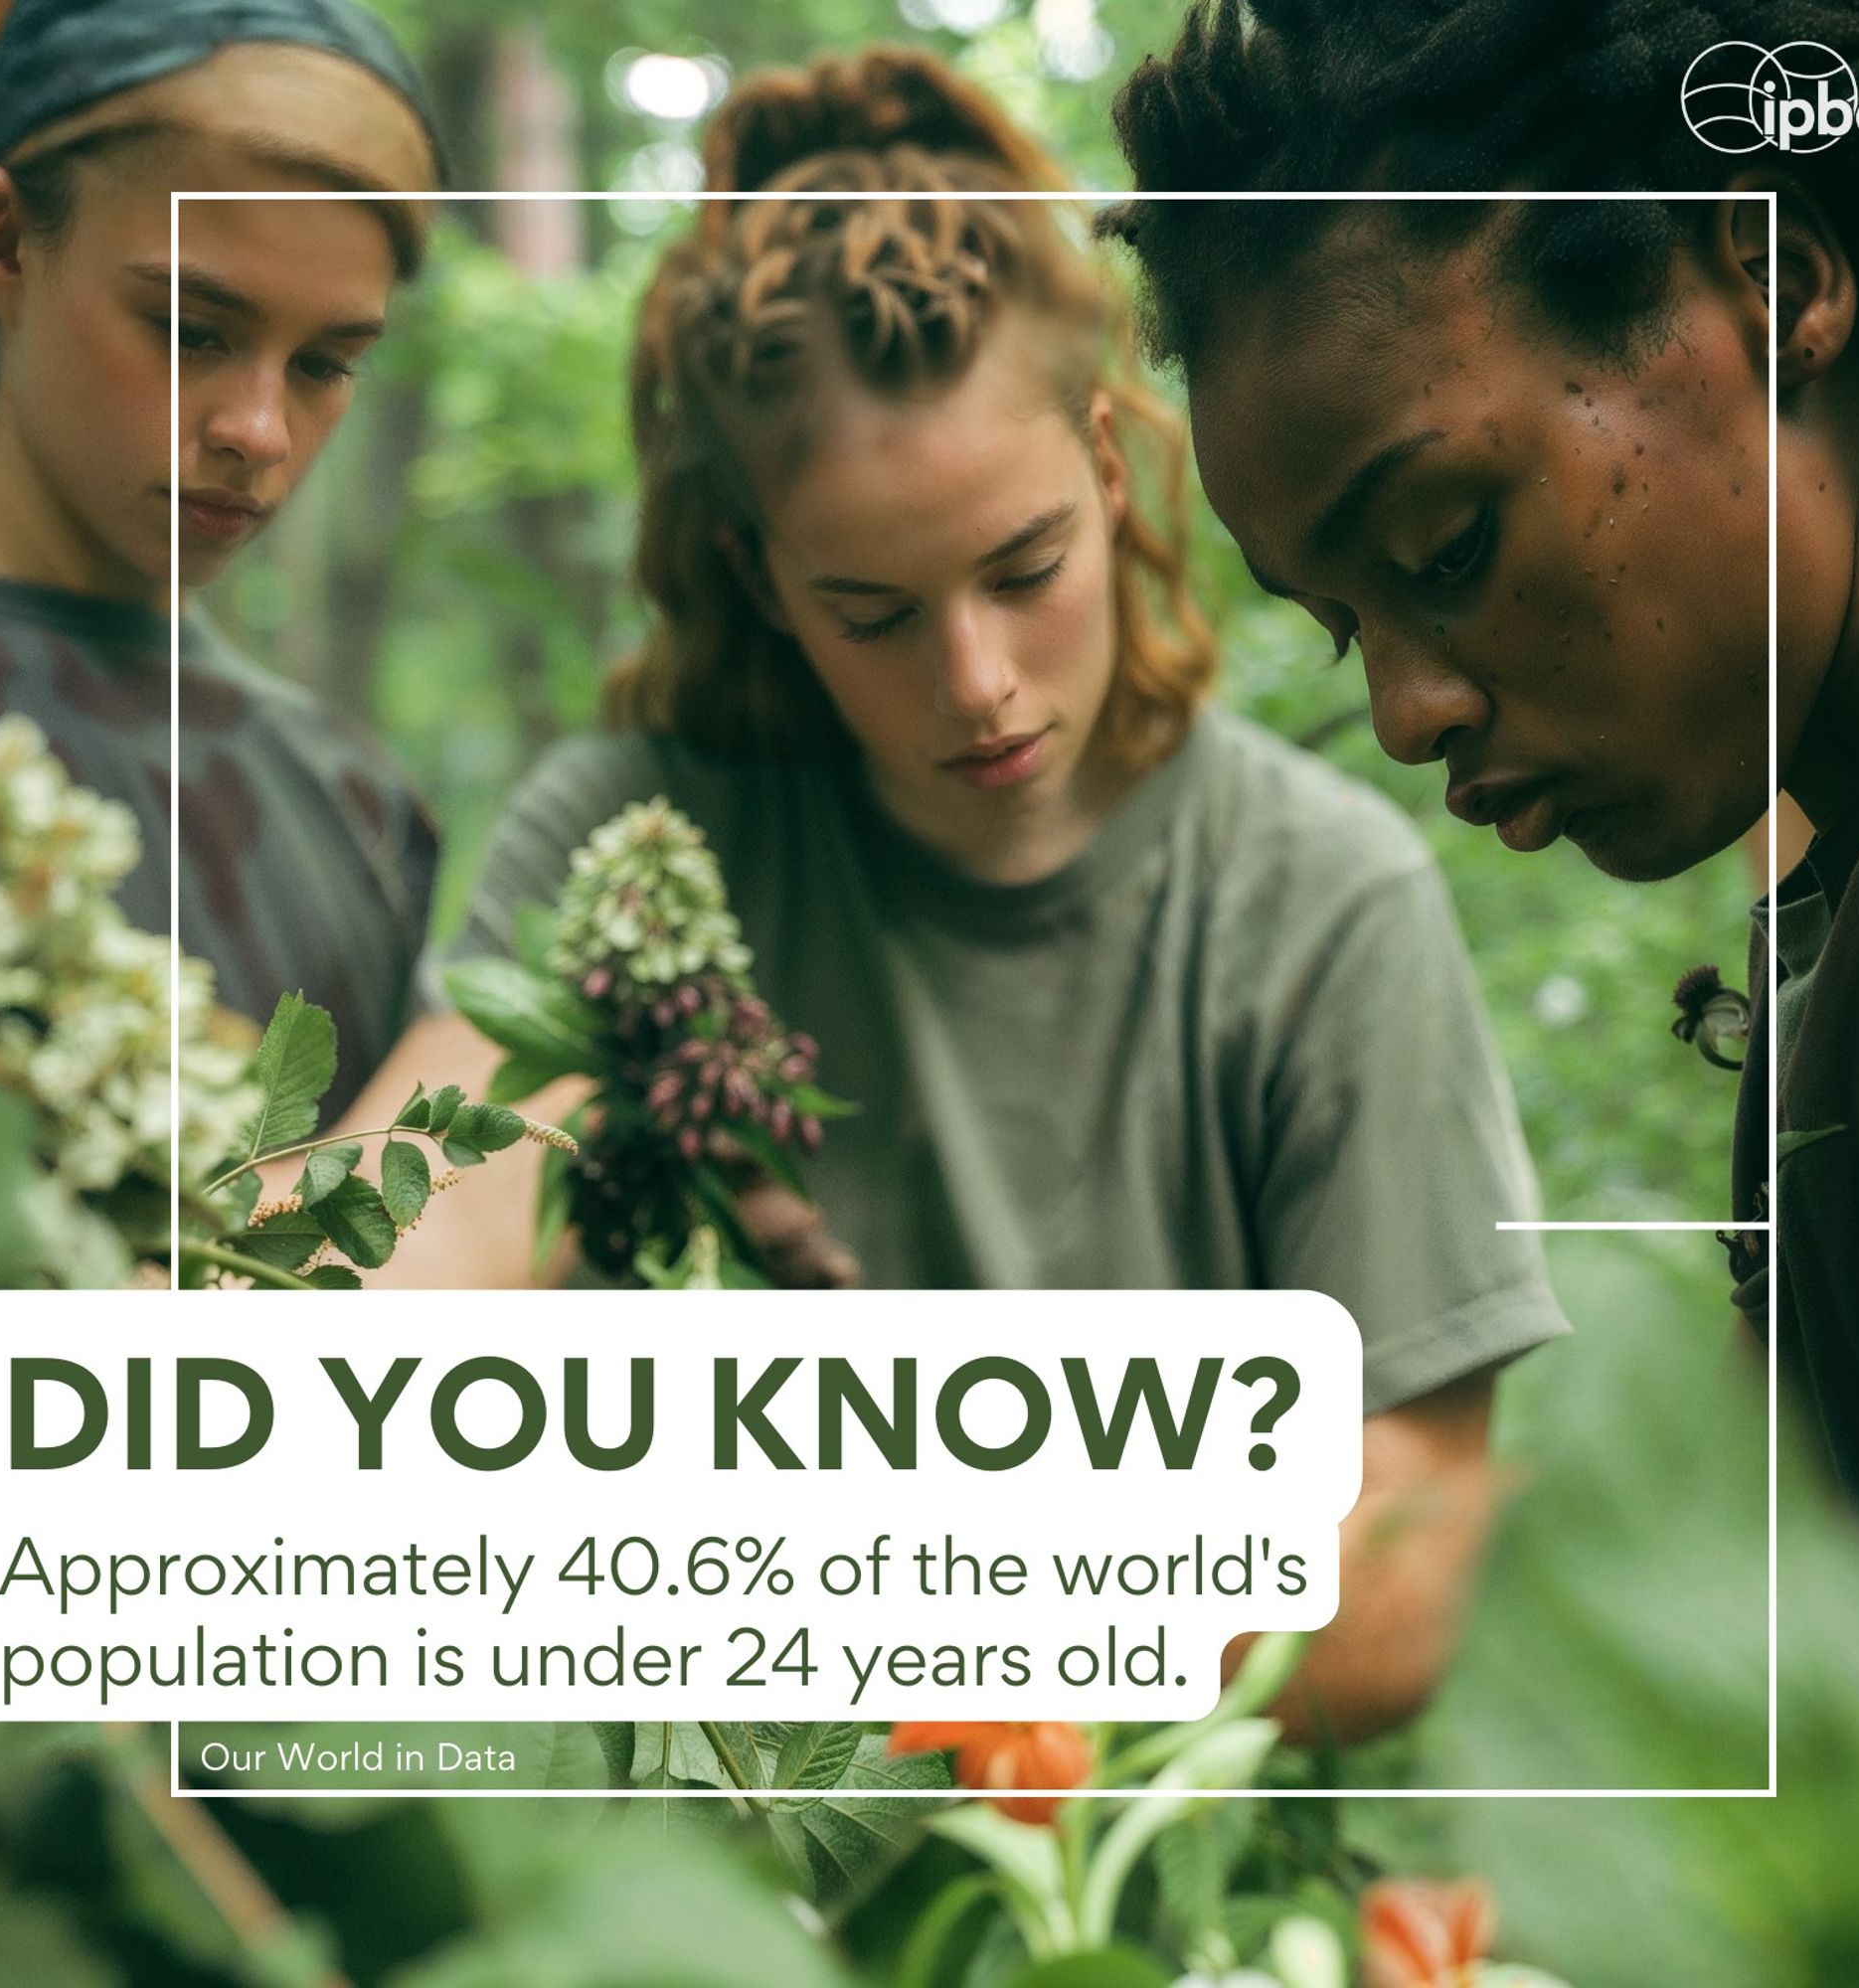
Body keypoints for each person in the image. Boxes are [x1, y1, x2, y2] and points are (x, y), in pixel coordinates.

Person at [355, 47, 1570, 1740]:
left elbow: (1384, 1589)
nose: (979, 679)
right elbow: (419, 1215)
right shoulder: (635, 842)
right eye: (874, 613)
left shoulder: (1319, 906)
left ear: (1103, 457)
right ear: (754, 577)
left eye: (1025, 571)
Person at [1102, 0, 1859, 1559]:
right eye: (1338, 626)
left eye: (1449, 544)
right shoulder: (1842, 875)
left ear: (1778, 283)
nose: (1405, 712)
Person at [0, 0, 444, 1114]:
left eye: (326, 363)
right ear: (1, 246)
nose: (261, 431)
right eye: (191, 328)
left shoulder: (357, 807)